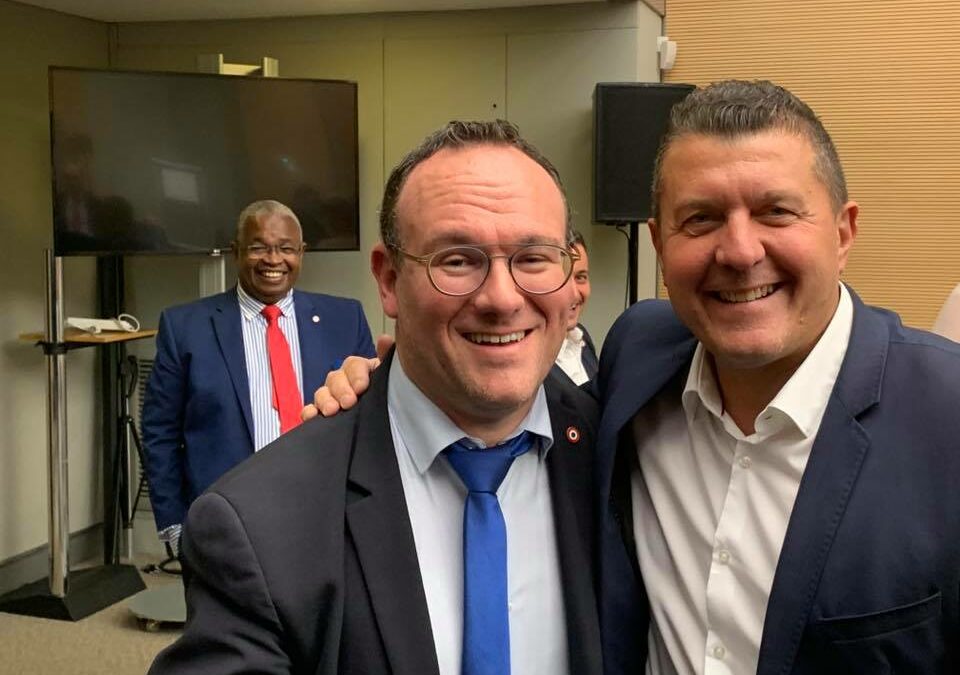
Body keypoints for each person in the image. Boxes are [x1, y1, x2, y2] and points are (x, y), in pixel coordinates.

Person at [312, 81, 960, 675]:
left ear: (844, 233)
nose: (739, 251)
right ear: (658, 242)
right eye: (700, 219)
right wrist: (394, 382)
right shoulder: (640, 358)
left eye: (776, 212)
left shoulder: (946, 417)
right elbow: (504, 392)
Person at [148, 121, 603, 675]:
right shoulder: (259, 524)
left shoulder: (619, 451)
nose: (502, 299)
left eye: (533, 257)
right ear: (388, 281)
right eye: (457, 260)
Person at [141, 199, 375, 552]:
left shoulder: (345, 319)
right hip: (224, 522)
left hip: (325, 516)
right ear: (236, 251)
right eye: (258, 248)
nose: (273, 259)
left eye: (286, 248)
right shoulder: (184, 327)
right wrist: (175, 524)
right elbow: (160, 432)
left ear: (302, 253)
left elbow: (369, 424)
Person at [554, 229, 599, 385]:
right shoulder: (529, 360)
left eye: (580, 277)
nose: (574, 293)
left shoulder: (582, 338)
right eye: (563, 278)